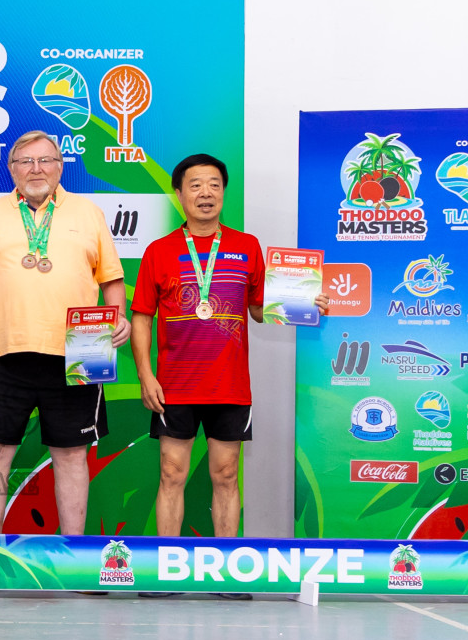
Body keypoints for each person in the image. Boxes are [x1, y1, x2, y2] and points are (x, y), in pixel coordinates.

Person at [131, 154, 327, 550]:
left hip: (229, 386)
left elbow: (258, 309)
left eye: (214, 185)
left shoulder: (246, 246)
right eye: (196, 185)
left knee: (226, 475)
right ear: (179, 193)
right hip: (174, 387)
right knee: (171, 473)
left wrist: (304, 301)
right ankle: (165, 567)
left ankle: (225, 568)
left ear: (223, 192)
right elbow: (141, 318)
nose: (206, 193)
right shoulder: (159, 251)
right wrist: (145, 375)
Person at [0, 129, 130, 535]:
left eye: (45, 160)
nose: (36, 169)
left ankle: (73, 555)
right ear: (11, 170)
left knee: (71, 456)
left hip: (79, 352)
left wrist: (115, 318)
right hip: (0, 354)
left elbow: (112, 280)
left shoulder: (88, 213)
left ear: (60, 166)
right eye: (25, 161)